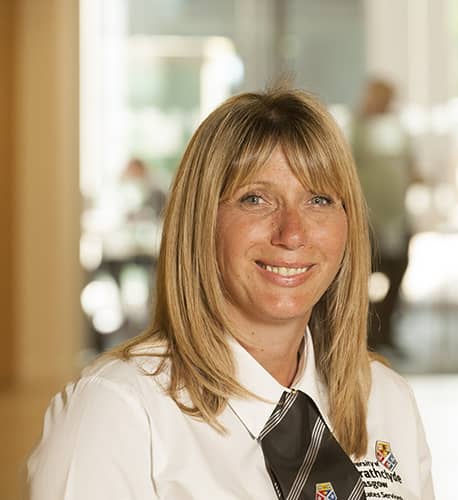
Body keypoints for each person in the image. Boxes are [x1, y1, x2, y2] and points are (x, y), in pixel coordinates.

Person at [27, 87, 434, 499]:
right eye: (255, 199)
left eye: (318, 199)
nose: (292, 233)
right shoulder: (117, 412)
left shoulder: (386, 400)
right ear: (200, 221)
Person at [352, 79, 414, 352]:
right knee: (364, 277)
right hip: (368, 218)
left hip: (397, 216)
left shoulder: (397, 129)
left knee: (397, 270)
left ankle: (386, 331)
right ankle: (365, 335)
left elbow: (410, 165)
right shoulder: (356, 129)